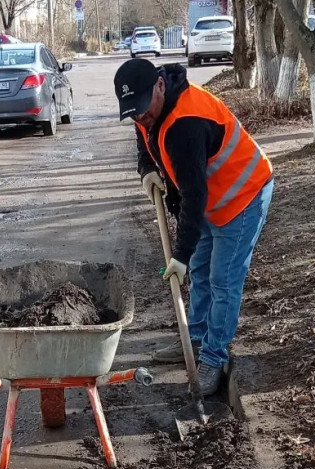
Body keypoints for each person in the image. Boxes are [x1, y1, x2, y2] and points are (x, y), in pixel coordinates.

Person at [113, 58, 274, 401]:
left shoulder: (186, 122)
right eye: (133, 111)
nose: (140, 116)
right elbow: (144, 135)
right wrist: (147, 169)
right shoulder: (148, 107)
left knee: (223, 279)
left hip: (243, 196)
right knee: (200, 270)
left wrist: (180, 255)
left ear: (160, 85)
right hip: (211, 198)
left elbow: (193, 194)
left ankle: (214, 358)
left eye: (142, 109)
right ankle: (197, 334)